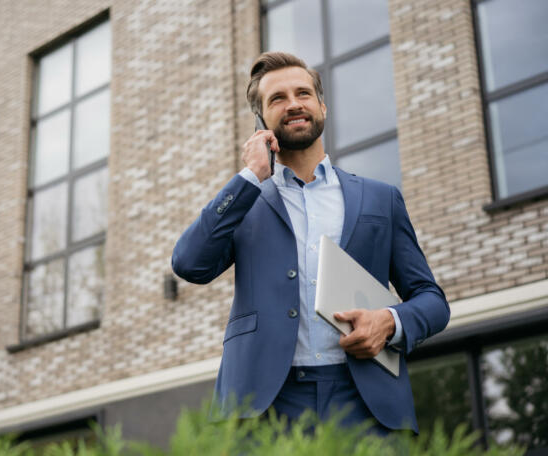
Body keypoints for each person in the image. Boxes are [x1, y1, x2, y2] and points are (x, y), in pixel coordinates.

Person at [171, 52, 449, 434]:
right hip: (264, 406)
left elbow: (432, 300)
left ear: (321, 106)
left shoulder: (380, 199)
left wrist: (388, 321)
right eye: (277, 98)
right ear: (261, 120)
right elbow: (189, 264)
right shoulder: (245, 202)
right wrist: (251, 176)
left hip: (366, 402)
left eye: (303, 93)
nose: (293, 104)